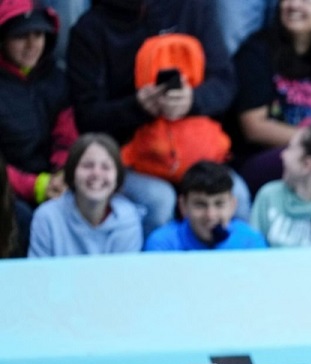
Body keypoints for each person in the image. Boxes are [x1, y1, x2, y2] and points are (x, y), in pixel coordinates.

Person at [66, 0, 239, 234]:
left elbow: (225, 84)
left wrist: (193, 100)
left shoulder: (194, 8)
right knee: (159, 201)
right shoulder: (90, 29)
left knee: (238, 195)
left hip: (195, 151)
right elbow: (87, 116)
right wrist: (137, 107)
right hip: (131, 158)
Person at [230, 0, 311, 195]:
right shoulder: (257, 51)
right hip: (266, 159)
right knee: (304, 163)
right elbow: (254, 127)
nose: (294, 5)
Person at [0, 2, 78, 213]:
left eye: (38, 34)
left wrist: (63, 171)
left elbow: (66, 135)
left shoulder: (56, 78)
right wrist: (34, 186)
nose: (32, 44)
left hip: (54, 182)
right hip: (11, 188)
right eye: (20, 36)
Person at [28, 131, 143, 256]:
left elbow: (123, 274)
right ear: (72, 173)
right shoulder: (47, 217)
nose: (96, 174)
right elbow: (38, 273)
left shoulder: (128, 220)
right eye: (87, 165)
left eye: (106, 167)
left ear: (117, 178)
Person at [143, 160, 268, 250]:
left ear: (232, 205)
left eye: (219, 204)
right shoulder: (163, 244)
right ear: (183, 206)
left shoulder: (250, 242)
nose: (210, 215)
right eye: (200, 205)